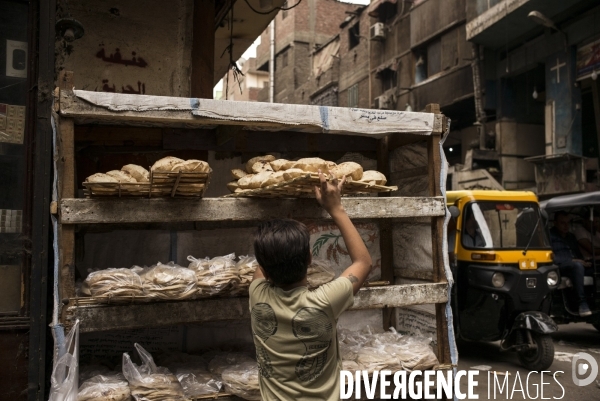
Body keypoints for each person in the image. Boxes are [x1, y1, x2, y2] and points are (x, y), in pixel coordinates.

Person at [249, 170, 372, 400]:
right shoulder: (324, 302)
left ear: (264, 269)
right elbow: (363, 262)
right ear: (309, 258)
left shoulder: (257, 296)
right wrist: (335, 208)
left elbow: (264, 262)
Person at [549, 211, 592, 317]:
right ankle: (582, 303)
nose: (566, 226)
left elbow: (577, 254)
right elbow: (551, 257)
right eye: (562, 223)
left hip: (577, 265)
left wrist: (585, 260)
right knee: (577, 266)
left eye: (568, 223)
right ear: (555, 223)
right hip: (560, 266)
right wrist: (573, 260)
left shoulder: (571, 237)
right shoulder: (549, 236)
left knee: (595, 266)